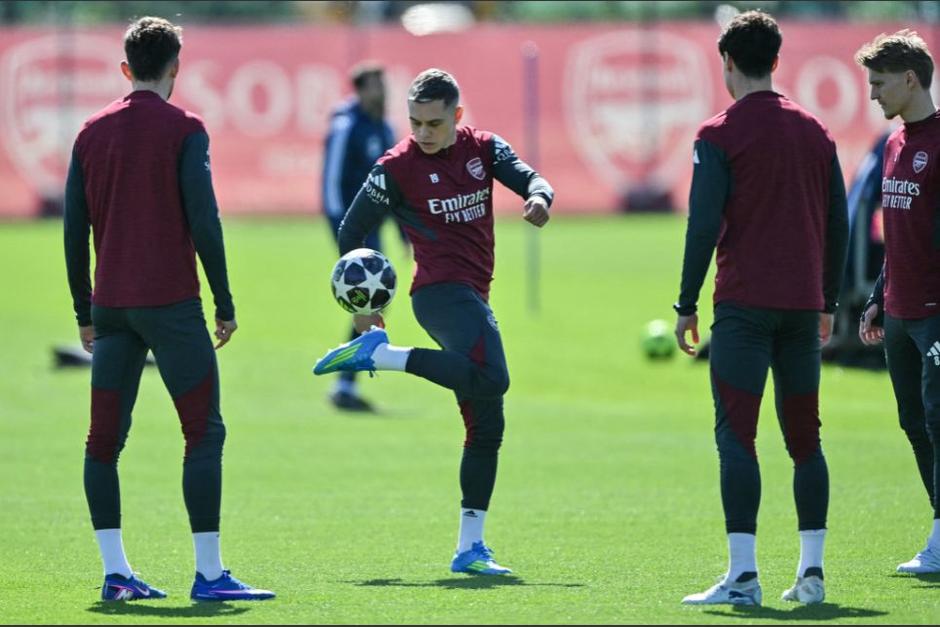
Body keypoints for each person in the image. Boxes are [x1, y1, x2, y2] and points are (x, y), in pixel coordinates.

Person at [63, 16, 273, 602]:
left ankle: (116, 574)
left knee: (102, 442)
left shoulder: (90, 133)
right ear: (176, 68)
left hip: (111, 309)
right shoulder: (186, 129)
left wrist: (84, 310)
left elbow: (74, 230)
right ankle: (209, 575)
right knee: (203, 432)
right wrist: (224, 301)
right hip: (172, 306)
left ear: (125, 68)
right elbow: (205, 220)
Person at [312, 68, 553, 575]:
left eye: (434, 123)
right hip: (438, 295)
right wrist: (363, 308)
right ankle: (382, 355)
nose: (423, 132)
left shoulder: (484, 148)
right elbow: (352, 229)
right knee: (494, 378)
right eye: (415, 122)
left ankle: (470, 548)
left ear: (457, 116)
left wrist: (538, 197)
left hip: (475, 295)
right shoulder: (396, 167)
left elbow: (532, 178)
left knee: (486, 425)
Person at [673, 11, 848, 606]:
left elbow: (702, 225)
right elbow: (839, 223)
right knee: (806, 440)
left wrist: (686, 303)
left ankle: (744, 578)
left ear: (727, 62)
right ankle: (812, 574)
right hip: (802, 309)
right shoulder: (816, 132)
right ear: (775, 61)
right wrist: (827, 299)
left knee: (737, 437)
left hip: (744, 308)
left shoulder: (718, 134)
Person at [857, 30, 940, 574]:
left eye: (879, 83)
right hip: (899, 311)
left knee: (938, 420)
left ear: (910, 80)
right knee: (914, 422)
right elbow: (898, 234)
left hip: (935, 316)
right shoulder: (892, 144)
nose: (871, 94)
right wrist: (877, 297)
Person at [321, 62, 400, 412]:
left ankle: (346, 383)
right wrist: (343, 233)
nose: (382, 92)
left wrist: (404, 231)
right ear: (361, 89)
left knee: (375, 301)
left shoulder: (384, 126)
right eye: (376, 85)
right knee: (368, 300)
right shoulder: (346, 126)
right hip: (352, 230)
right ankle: (344, 385)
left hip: (375, 228)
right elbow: (331, 183)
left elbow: (395, 185)